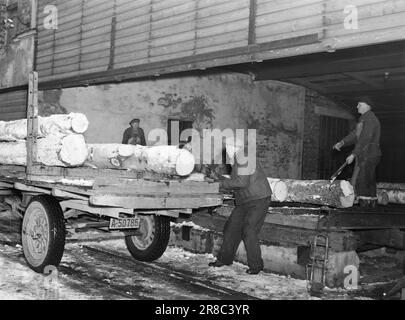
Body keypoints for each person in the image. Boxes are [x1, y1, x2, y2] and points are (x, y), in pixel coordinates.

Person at [209, 137, 272, 274]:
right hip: (245, 200)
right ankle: (224, 259)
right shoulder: (238, 158)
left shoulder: (243, 156)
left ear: (234, 147)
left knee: (249, 231)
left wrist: (220, 184)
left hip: (258, 199)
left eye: (228, 147)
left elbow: (242, 183)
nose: (227, 150)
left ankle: (256, 266)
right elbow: (237, 180)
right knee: (231, 228)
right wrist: (218, 178)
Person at [333, 101, 381, 208]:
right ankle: (364, 205)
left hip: (369, 154)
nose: (357, 106)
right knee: (358, 179)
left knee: (362, 180)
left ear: (368, 106)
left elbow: (365, 139)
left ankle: (366, 209)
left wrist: (353, 154)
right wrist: (342, 142)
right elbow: (355, 135)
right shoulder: (363, 119)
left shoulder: (371, 120)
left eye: (360, 104)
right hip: (363, 153)